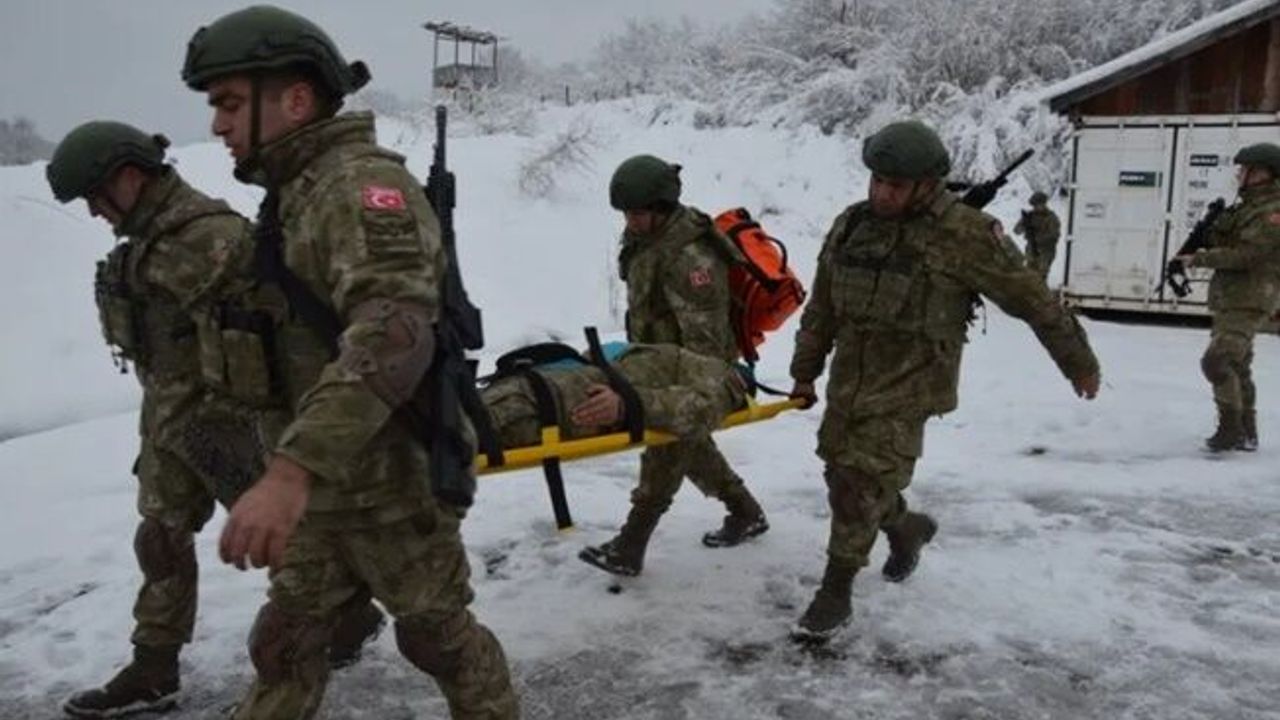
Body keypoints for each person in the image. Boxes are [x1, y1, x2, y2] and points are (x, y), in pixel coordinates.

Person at [180, 6, 517, 719]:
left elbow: (394, 331)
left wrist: (288, 472)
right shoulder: (294, 195)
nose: (218, 125)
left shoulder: (356, 189)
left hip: (387, 489)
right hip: (323, 493)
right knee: (284, 644)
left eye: (232, 103)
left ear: (296, 99)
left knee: (439, 642)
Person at [46, 121, 384, 719]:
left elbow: (280, 332)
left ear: (130, 176)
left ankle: (350, 616)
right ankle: (154, 666)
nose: (96, 211)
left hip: (231, 423)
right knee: (160, 537)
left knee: (279, 543)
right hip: (169, 420)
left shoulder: (215, 237)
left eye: (98, 195)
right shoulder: (145, 243)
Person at [787, 120, 1101, 641]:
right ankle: (906, 529)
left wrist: (1079, 361)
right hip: (851, 383)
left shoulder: (965, 235)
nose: (883, 193)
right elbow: (822, 307)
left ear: (928, 185)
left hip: (911, 384)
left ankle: (834, 593)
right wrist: (804, 372)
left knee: (857, 487)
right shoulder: (851, 225)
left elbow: (1033, 300)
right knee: (840, 476)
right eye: (877, 181)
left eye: (896, 185)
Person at [578, 155, 769, 578]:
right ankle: (746, 512)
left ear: (662, 208)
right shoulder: (646, 239)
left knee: (668, 443)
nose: (630, 222)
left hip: (695, 370)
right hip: (655, 359)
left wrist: (672, 394)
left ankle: (631, 544)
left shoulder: (691, 259)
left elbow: (703, 347)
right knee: (692, 446)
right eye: (626, 213)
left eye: (638, 213)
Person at [1177, 143, 1280, 452]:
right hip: (1233, 296)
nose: (1239, 175)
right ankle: (1247, 433)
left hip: (1252, 295)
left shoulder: (1272, 211)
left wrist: (1201, 258)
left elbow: (1250, 254)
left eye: (1245, 169)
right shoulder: (1247, 206)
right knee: (1237, 365)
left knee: (1217, 360)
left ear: (1263, 173)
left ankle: (1230, 430)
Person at [481, 342, 751, 451]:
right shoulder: (680, 357)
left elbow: (698, 410)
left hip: (577, 400)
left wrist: (625, 406)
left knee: (476, 424)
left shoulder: (725, 381)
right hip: (557, 381)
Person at [1014, 191, 1061, 282]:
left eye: (1038, 205)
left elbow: (1055, 235)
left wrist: (1039, 239)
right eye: (1034, 205)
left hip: (1045, 252)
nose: (1035, 207)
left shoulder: (1051, 217)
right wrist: (1024, 223)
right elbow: (1016, 231)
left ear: (1044, 204)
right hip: (1031, 251)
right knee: (1029, 277)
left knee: (1041, 278)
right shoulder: (1029, 216)